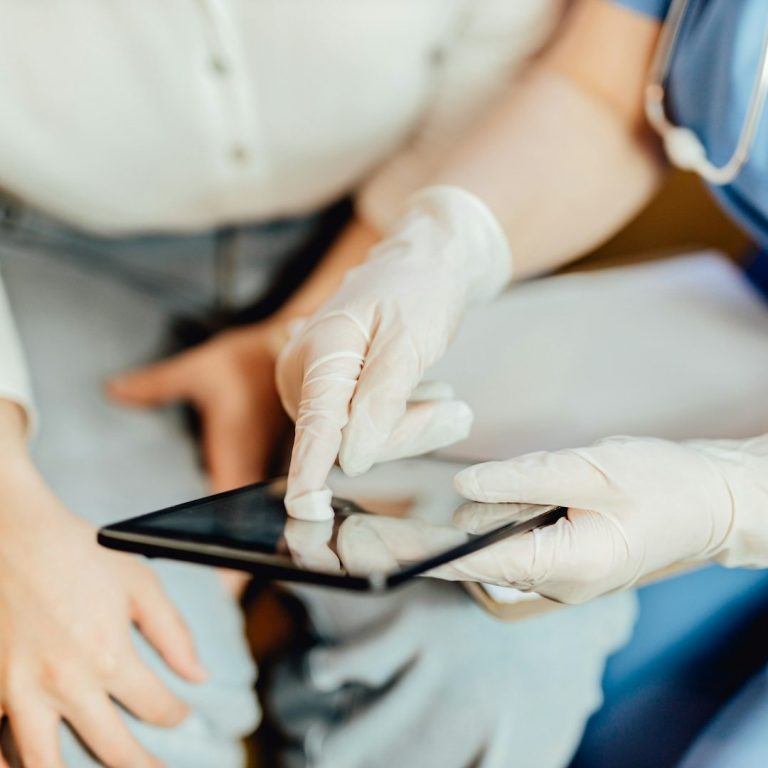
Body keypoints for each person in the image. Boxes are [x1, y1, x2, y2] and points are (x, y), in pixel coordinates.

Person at [1, 4, 639, 767]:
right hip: (50, 263)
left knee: (506, 658)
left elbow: (559, 85)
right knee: (102, 707)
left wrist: (328, 310)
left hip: (387, 245)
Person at [273, 0, 768, 764]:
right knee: (496, 648)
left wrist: (734, 500)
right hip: (737, 340)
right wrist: (448, 239)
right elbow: (603, 91)